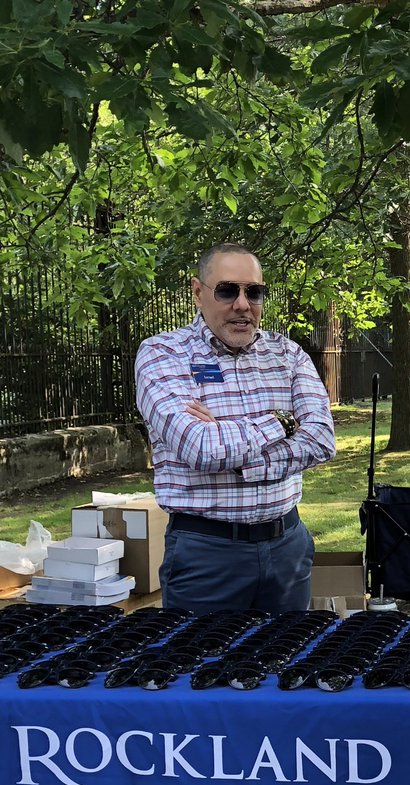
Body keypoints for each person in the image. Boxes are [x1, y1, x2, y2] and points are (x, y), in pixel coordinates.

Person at [134, 242, 336, 614]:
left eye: (254, 292)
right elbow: (201, 448)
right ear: (198, 292)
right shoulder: (162, 354)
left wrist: (236, 448)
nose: (242, 305)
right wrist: (282, 421)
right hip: (207, 554)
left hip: (286, 547)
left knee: (290, 662)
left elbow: (321, 440)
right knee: (202, 666)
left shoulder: (288, 355)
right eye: (227, 290)